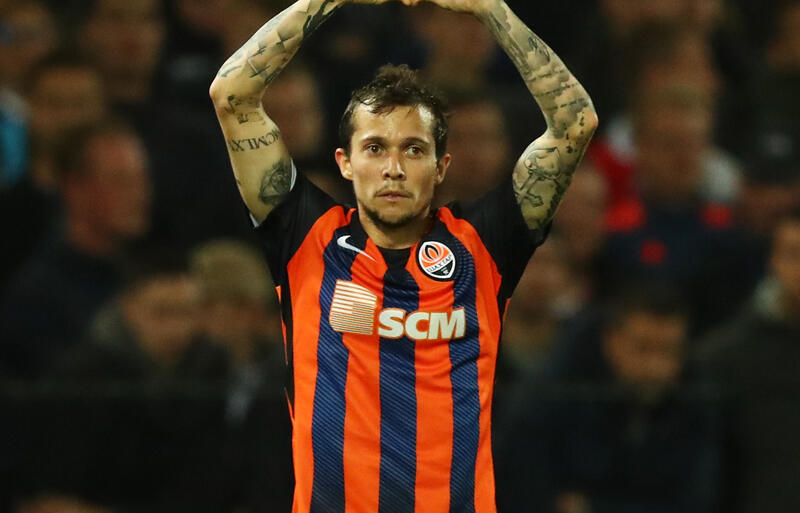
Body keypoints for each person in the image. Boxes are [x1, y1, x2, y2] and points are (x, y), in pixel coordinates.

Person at [209, 0, 597, 511]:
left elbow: (575, 124)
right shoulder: (306, 235)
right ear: (345, 163)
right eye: (375, 148)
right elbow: (232, 95)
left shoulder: (483, 244)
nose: (393, 168)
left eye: (413, 149)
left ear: (441, 167)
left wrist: (491, 10)